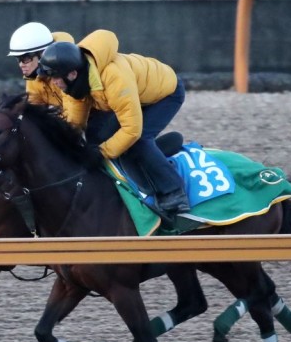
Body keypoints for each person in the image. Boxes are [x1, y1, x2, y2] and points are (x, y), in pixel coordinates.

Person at [37, 29, 190, 213]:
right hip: (134, 96)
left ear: (72, 74)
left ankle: (174, 192)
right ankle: (145, 158)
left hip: (166, 94)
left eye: (54, 76)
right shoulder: (73, 85)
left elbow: (132, 130)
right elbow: (74, 125)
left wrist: (102, 152)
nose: (53, 82)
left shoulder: (114, 78)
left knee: (139, 139)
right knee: (95, 135)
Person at [7, 22, 74, 111]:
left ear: (43, 54)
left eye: (25, 58)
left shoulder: (71, 72)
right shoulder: (33, 78)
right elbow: (34, 111)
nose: (21, 64)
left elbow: (76, 115)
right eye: (18, 59)